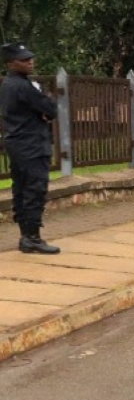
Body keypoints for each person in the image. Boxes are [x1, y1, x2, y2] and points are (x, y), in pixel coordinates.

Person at [0, 42, 60, 254]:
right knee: (35, 189)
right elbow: (50, 110)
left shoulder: (8, 84)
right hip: (31, 145)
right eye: (24, 60)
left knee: (21, 189)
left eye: (30, 58)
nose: (30, 62)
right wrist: (46, 104)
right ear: (10, 63)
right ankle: (32, 237)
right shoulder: (24, 86)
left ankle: (26, 235)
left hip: (17, 144)